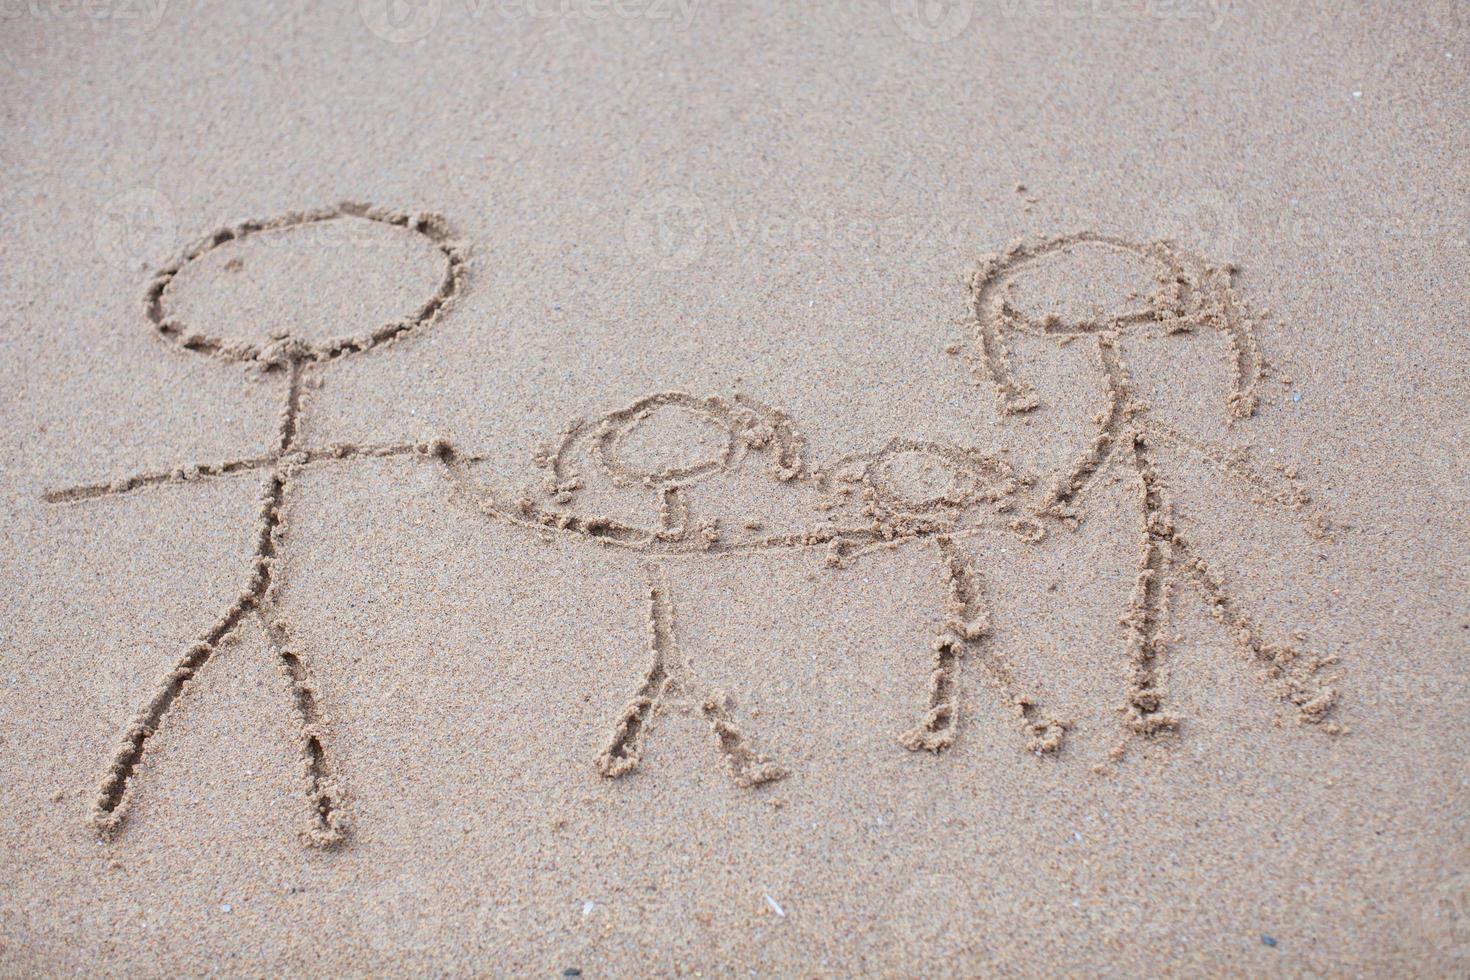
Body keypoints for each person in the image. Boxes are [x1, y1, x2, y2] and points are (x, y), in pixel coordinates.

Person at [45, 202, 468, 844]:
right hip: (256, 565)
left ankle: (317, 805)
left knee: (261, 651)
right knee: (248, 644)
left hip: (266, 564)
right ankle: (304, 804)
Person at [967, 232, 1338, 751]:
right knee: (1176, 567)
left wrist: (1067, 491)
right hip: (1147, 480)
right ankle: (1222, 679)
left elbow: (1119, 433)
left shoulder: (1124, 361)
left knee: (1180, 566)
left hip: (1157, 477)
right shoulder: (1110, 358)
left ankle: (1184, 684)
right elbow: (1117, 432)